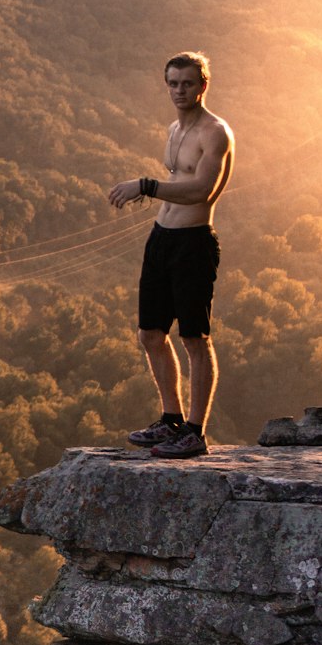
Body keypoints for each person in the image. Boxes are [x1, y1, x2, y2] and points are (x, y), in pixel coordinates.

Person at [108, 51, 234, 458]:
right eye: (173, 83)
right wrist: (155, 194)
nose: (180, 90)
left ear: (203, 86)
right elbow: (178, 179)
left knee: (195, 338)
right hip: (161, 238)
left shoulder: (216, 133)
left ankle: (195, 432)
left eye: (188, 83)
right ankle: (170, 420)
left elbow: (202, 190)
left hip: (194, 242)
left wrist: (146, 185)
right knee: (150, 335)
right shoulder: (173, 129)